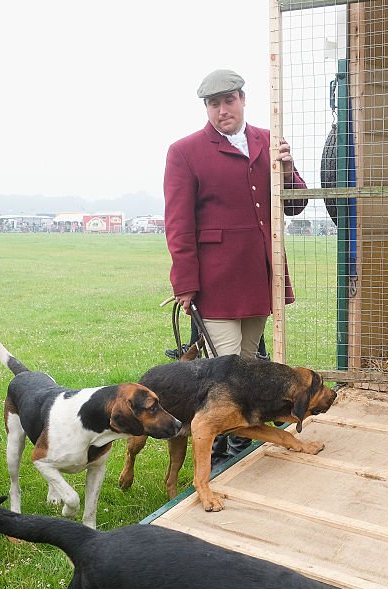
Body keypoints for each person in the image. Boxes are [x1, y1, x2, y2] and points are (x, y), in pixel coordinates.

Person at [163, 68, 308, 462]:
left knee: (247, 366)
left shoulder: (268, 141)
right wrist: (185, 283)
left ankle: (234, 441)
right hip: (217, 281)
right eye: (214, 104)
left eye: (229, 100)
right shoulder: (184, 151)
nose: (222, 110)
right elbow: (178, 224)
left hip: (260, 275)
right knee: (225, 373)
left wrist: (287, 167)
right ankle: (217, 446)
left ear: (243, 99)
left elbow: (294, 205)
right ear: (206, 108)